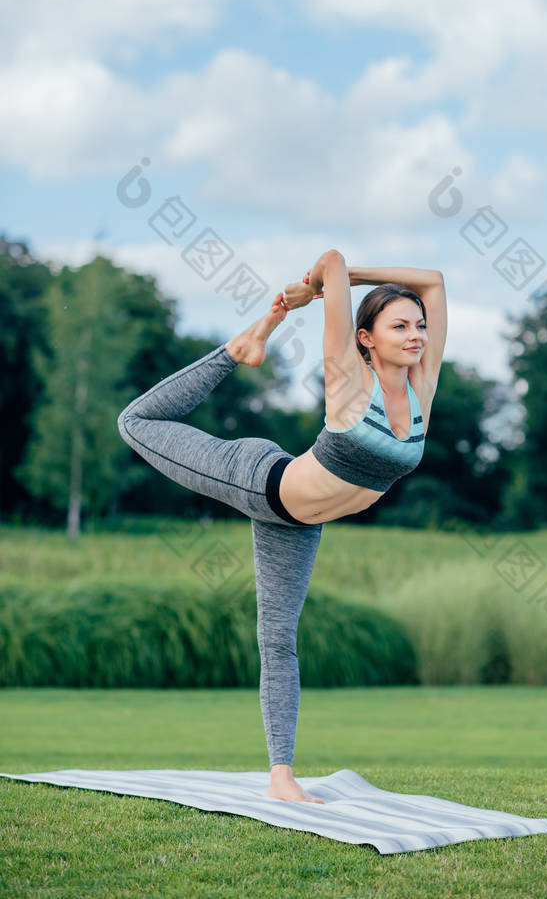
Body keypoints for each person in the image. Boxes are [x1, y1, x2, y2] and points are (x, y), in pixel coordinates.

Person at [117, 249, 447, 803]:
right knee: (135, 421)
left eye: (419, 326)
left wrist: (350, 283)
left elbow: (434, 281)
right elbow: (334, 259)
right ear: (364, 338)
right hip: (257, 481)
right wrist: (319, 289)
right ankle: (238, 347)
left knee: (277, 640)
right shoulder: (348, 376)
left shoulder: (422, 389)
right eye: (399, 325)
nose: (416, 334)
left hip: (296, 523)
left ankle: (281, 777)